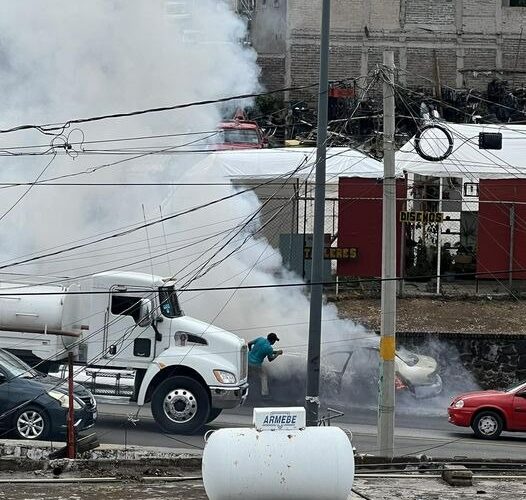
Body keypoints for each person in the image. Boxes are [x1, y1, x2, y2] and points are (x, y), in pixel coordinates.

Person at [248, 332, 283, 398]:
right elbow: (270, 359)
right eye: (275, 341)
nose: (274, 342)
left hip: (247, 360)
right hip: (256, 365)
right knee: (263, 376)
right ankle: (265, 394)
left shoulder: (260, 339)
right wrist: (277, 354)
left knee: (246, 375)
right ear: (272, 340)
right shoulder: (269, 348)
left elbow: (249, 343)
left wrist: (250, 351)